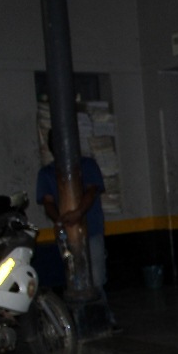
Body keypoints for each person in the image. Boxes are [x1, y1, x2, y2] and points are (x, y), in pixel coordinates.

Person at [36, 130, 117, 330]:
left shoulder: (87, 165)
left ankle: (104, 318)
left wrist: (78, 213)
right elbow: (47, 202)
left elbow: (91, 191)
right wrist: (61, 220)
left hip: (92, 230)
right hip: (66, 234)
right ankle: (79, 323)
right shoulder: (46, 173)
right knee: (73, 277)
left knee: (97, 277)